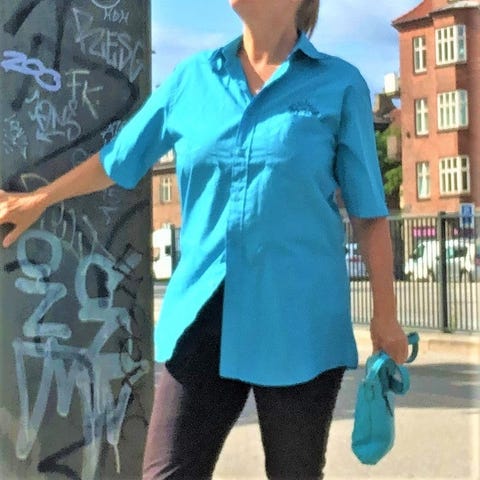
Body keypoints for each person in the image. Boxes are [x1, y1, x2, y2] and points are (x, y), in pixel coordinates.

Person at [0, 0, 409, 478]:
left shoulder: (340, 85)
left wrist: (386, 317)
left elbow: (368, 213)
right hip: (203, 315)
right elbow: (120, 158)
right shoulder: (193, 79)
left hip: (300, 323)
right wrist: (39, 199)